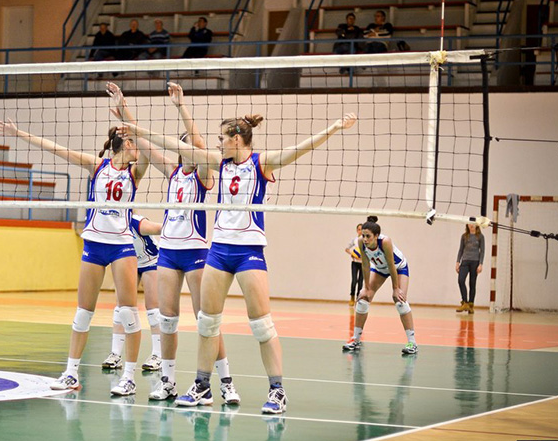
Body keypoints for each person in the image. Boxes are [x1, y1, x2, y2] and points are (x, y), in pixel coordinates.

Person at [128, 108, 357, 414]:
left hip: (249, 250)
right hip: (219, 250)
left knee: (262, 326)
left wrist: (335, 127)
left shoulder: (262, 163)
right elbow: (173, 145)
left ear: (237, 139)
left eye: (222, 138)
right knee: (207, 323)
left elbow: (301, 148)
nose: (218, 143)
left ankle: (277, 391)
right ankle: (202, 385)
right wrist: (136, 128)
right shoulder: (218, 164)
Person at [0, 83, 151, 396]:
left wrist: (125, 109)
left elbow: (146, 142)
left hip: (122, 246)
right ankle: (71, 373)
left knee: (128, 313)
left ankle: (129, 377)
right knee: (83, 313)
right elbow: (56, 149)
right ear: (123, 145)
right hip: (94, 244)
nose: (136, 147)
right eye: (131, 142)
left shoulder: (135, 172)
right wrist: (19, 134)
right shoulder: (97, 166)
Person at [133, 82, 240, 405]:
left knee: (206, 320)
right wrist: (125, 114)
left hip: (195, 252)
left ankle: (226, 383)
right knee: (167, 320)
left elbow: (199, 142)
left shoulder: (204, 174)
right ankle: (167, 382)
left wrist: (181, 106)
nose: (193, 150)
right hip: (168, 252)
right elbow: (144, 142)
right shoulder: (173, 172)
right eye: (187, 147)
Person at [343, 216, 418, 355]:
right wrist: (366, 288)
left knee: (400, 300)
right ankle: (356, 340)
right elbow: (365, 265)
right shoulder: (361, 242)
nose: (365, 239)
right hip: (379, 269)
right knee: (364, 298)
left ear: (376, 236)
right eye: (363, 235)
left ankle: (412, 343)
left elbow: (391, 265)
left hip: (398, 267)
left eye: (368, 236)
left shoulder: (385, 242)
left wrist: (395, 288)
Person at [101, 213, 163, 372]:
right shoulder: (110, 226)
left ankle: (158, 355)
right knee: (122, 308)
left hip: (151, 261)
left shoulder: (136, 222)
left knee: (153, 309)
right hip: (128, 262)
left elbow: (161, 228)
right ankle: (115, 354)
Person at [455, 219, 484, 314]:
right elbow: (461, 250)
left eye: (473, 224)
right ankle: (464, 302)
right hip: (465, 261)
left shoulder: (480, 236)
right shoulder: (464, 236)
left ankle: (471, 305)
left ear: (477, 225)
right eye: (470, 224)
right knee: (461, 280)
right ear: (467, 225)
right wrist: (458, 262)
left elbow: (482, 251)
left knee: (472, 283)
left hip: (475, 262)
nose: (471, 225)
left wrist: (480, 264)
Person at [345, 223, 363, 306]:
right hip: (355, 263)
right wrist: (352, 253)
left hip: (363, 264)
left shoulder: (366, 241)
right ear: (357, 230)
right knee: (354, 280)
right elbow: (347, 249)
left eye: (362, 229)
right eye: (359, 229)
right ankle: (352, 296)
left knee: (360, 282)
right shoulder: (355, 240)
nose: (360, 231)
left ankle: (358, 298)